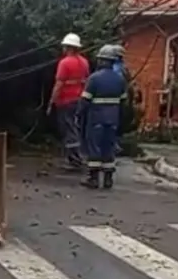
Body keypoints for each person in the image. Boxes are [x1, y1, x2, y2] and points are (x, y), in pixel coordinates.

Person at [77, 45, 128, 189]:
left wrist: (78, 114)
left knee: (94, 147)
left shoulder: (94, 79)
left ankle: (93, 179)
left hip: (96, 118)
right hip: (113, 119)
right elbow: (124, 102)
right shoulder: (119, 80)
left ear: (101, 61)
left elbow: (85, 100)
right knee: (109, 147)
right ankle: (108, 179)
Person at [47, 32, 90, 170]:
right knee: (76, 127)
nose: (63, 49)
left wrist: (51, 101)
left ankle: (74, 159)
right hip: (80, 99)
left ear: (68, 47)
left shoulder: (64, 63)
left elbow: (59, 84)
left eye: (65, 47)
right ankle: (78, 156)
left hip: (66, 100)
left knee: (68, 129)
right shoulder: (84, 62)